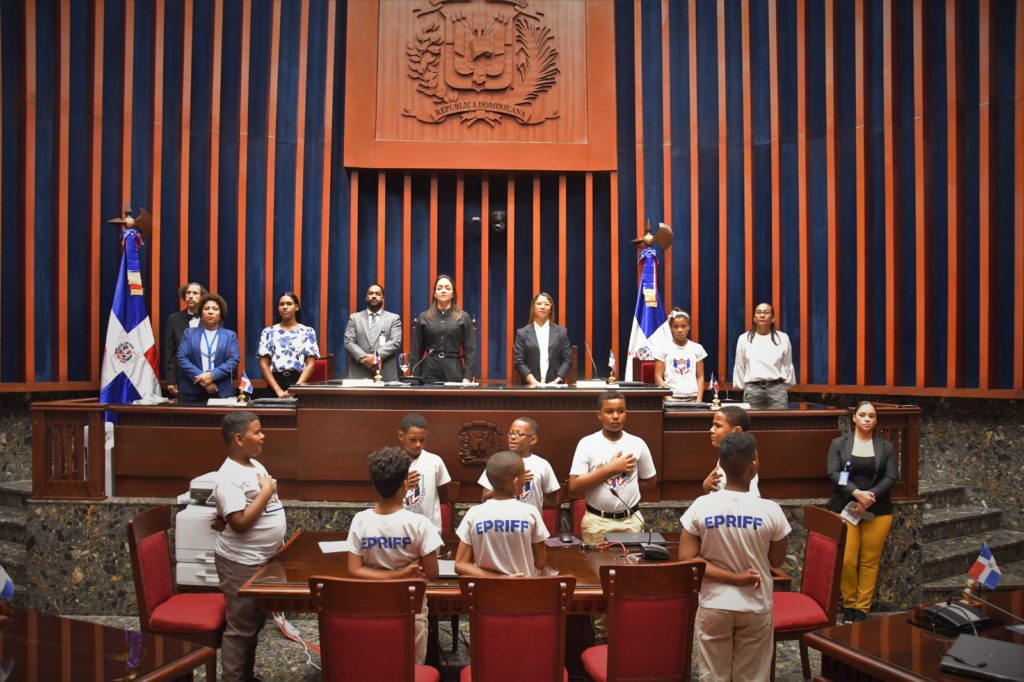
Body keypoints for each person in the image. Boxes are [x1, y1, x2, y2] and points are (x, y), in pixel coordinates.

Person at [679, 432, 790, 682]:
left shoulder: (701, 505)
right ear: (754, 466)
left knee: (713, 676)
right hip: (755, 603)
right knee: (751, 676)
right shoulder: (771, 511)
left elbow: (688, 560)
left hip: (714, 603)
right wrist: (740, 577)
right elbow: (776, 562)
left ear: (722, 466)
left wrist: (731, 577)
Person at [568, 389, 657, 640]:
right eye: (609, 411)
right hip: (597, 522)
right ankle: (602, 639)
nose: (616, 416)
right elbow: (573, 488)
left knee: (630, 584)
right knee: (600, 585)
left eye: (621, 411)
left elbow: (650, 481)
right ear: (599, 415)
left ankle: (627, 636)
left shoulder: (637, 443)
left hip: (631, 522)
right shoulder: (588, 443)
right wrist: (610, 469)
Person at [347, 447, 442, 664]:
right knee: (410, 669)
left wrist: (393, 574)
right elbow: (433, 573)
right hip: (412, 610)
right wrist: (402, 573)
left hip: (373, 607)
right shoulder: (420, 524)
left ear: (374, 485)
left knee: (378, 664)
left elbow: (354, 569)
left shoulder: (360, 520)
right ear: (406, 485)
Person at [211, 411, 286, 682]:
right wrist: (267, 493)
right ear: (239, 439)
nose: (263, 435)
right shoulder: (228, 475)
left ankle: (246, 676)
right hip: (239, 563)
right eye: (258, 431)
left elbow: (230, 512)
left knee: (252, 624)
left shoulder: (254, 465)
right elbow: (240, 523)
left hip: (259, 560)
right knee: (240, 629)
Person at [825, 401, 897, 622]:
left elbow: (890, 477)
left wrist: (868, 498)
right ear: (854, 418)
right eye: (863, 415)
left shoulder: (886, 447)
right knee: (847, 560)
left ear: (876, 421)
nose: (867, 419)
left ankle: (861, 609)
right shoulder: (840, 443)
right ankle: (849, 604)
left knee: (869, 560)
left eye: (872, 416)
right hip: (845, 507)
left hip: (879, 510)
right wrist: (857, 494)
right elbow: (834, 473)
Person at [455, 451, 549, 577]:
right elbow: (541, 562)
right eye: (523, 476)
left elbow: (460, 565)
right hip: (523, 592)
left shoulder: (474, 513)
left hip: (486, 593)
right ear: (515, 481)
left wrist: (500, 578)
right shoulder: (530, 512)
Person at [478, 417, 560, 517]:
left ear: (533, 439)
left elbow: (554, 501)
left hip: (529, 523)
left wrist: (535, 505)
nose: (512, 437)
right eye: (511, 433)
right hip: (501, 523)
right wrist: (508, 484)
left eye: (519, 434)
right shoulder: (498, 461)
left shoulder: (542, 464)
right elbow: (484, 498)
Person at [411, 274, 476, 384]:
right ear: (434, 294)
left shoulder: (463, 317)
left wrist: (467, 377)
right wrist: (414, 377)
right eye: (439, 288)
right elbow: (416, 351)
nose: (443, 291)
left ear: (453, 293)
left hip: (454, 371)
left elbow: (470, 350)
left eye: (447, 288)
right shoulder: (424, 317)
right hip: (429, 371)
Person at [176, 293, 241, 403]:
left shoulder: (230, 336)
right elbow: (181, 358)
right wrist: (204, 380)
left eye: (215, 309)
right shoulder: (189, 333)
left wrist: (212, 375)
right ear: (201, 312)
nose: (210, 311)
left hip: (220, 390)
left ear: (221, 314)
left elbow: (233, 360)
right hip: (191, 392)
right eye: (206, 308)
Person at [731, 302, 796, 410]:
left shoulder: (783, 338)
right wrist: (745, 387)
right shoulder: (744, 338)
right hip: (753, 389)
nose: (762, 315)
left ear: (773, 318)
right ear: (754, 318)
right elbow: (740, 365)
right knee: (753, 424)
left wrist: (784, 387)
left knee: (778, 423)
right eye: (759, 312)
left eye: (766, 312)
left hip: (777, 388)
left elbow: (787, 365)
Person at [258, 291, 320, 396]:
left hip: (299, 384)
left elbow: (310, 364)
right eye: (281, 304)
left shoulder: (307, 331)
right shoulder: (268, 332)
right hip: (275, 385)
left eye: (289, 304)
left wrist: (295, 390)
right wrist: (278, 391)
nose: (285, 307)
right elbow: (264, 364)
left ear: (296, 307)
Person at [398, 413, 452, 532]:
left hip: (430, 528)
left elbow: (444, 498)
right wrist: (402, 484)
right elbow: (386, 495)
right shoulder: (393, 463)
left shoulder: (435, 461)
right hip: (400, 528)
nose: (418, 444)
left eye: (422, 440)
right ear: (401, 436)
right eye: (413, 440)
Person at [512, 292, 573, 386]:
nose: (543, 307)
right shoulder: (522, 333)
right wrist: (535, 383)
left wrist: (556, 381)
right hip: (530, 387)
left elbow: (567, 360)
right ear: (534, 307)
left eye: (546, 304)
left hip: (555, 386)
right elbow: (519, 361)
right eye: (539, 303)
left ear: (550, 309)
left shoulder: (561, 332)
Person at [344, 283, 402, 381]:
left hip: (385, 373)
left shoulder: (393, 318)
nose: (374, 296)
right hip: (359, 373)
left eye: (378, 294)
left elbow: (395, 341)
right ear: (366, 298)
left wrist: (376, 357)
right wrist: (365, 359)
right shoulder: (354, 318)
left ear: (383, 298)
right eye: (371, 293)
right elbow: (348, 342)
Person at [702, 406, 760, 495]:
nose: (711, 430)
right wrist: (707, 487)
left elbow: (751, 499)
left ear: (736, 430)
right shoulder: (728, 455)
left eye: (718, 425)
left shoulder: (745, 460)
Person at [163, 282, 206, 397]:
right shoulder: (174, 319)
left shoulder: (212, 319)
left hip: (206, 378)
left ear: (202, 297)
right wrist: (171, 380)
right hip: (181, 378)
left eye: (195, 293)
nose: (191, 296)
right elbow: (170, 351)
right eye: (188, 293)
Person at [653, 308, 707, 401]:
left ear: (689, 327)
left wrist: (699, 399)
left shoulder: (697, 348)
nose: (680, 330)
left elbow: (700, 376)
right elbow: (658, 376)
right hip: (671, 397)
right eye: (675, 326)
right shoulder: (663, 348)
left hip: (692, 397)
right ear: (670, 328)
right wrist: (667, 397)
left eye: (683, 326)